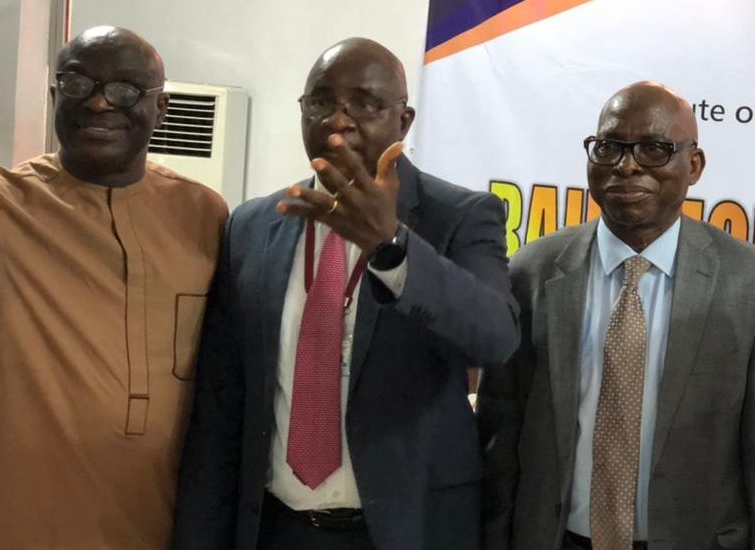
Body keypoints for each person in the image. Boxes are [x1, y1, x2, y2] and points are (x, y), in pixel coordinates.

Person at [174, 37, 520, 550]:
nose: (338, 120)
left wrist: (392, 246)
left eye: (365, 103)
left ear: (404, 121)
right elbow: (221, 404)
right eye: (320, 101)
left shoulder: (459, 216)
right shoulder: (251, 226)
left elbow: (494, 338)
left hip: (405, 531)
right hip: (276, 529)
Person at [479, 81, 755, 550]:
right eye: (608, 147)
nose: (626, 166)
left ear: (694, 165)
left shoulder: (751, 279)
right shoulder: (532, 270)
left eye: (654, 149)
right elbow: (500, 435)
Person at [0, 26, 227, 549]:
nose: (98, 102)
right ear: (55, 95)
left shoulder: (204, 216)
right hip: (14, 528)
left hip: (154, 528)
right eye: (78, 84)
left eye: (126, 90)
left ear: (161, 109)